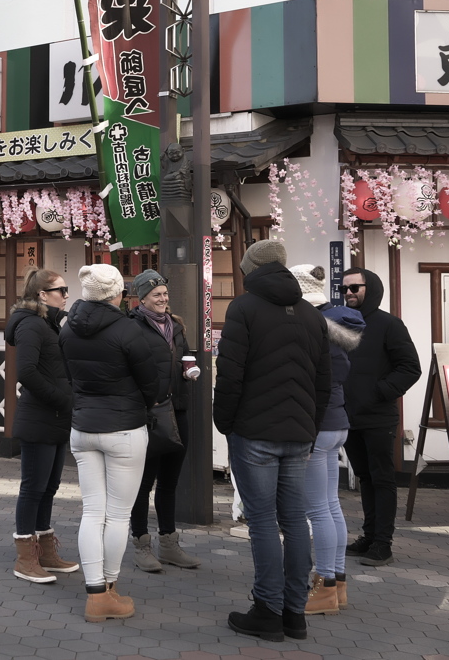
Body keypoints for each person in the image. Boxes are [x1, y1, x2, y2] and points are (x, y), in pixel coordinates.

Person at [213, 241, 331, 642]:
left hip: (254, 431)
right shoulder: (311, 315)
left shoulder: (243, 309)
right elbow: (323, 382)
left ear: (250, 270)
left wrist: (225, 422)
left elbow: (230, 373)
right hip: (298, 432)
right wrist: (310, 428)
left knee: (262, 521)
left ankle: (267, 610)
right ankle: (294, 614)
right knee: (295, 520)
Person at [59, 264, 159, 622]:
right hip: (124, 428)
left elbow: (69, 375)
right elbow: (154, 385)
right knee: (117, 515)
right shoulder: (127, 329)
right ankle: (109, 591)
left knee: (91, 511)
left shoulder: (67, 327)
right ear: (117, 293)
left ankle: (94, 591)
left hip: (83, 426)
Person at [290, 264, 365, 615]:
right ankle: (337, 581)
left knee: (317, 509)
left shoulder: (311, 328)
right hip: (338, 423)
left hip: (316, 425)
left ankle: (323, 588)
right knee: (331, 506)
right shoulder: (339, 327)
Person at [341, 267, 421, 567]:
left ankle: (383, 543)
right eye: (345, 288)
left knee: (382, 479)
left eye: (355, 288)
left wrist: (378, 392)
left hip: (378, 417)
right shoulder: (341, 323)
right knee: (364, 477)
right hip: (348, 417)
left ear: (370, 288)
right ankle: (369, 535)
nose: (349, 293)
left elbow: (410, 367)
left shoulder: (389, 324)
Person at [4, 268, 79, 583]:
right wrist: (63, 400)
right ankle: (25, 558)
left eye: (65, 289)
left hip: (57, 418)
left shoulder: (50, 325)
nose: (66, 295)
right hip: (40, 417)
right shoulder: (32, 325)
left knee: (49, 487)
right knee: (33, 488)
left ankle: (45, 552)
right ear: (42, 295)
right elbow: (27, 372)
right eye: (61, 290)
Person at [127, 270, 201, 572]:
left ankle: (169, 544)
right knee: (143, 483)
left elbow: (183, 358)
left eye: (165, 294)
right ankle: (141, 544)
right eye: (156, 294)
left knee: (170, 482)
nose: (163, 298)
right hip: (149, 413)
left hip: (178, 409)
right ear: (142, 297)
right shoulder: (132, 326)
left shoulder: (177, 326)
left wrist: (188, 369)